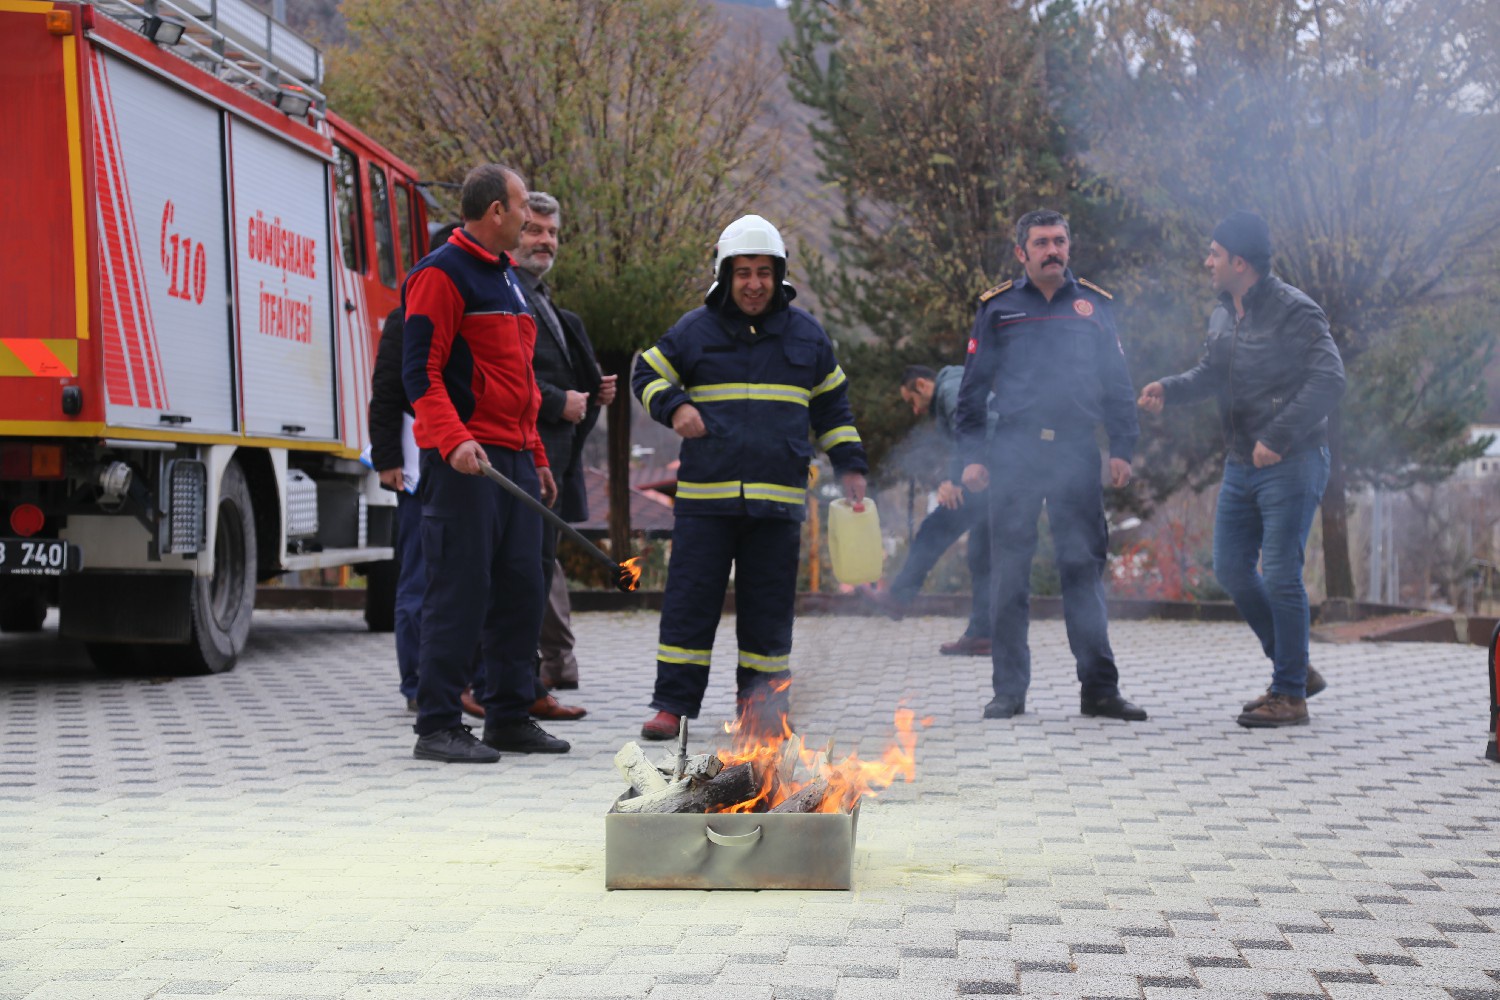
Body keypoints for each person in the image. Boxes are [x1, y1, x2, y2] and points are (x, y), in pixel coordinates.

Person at [632, 214, 868, 741]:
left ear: (779, 274)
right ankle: (672, 706)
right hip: (705, 504)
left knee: (768, 614)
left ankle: (760, 712)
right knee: (689, 606)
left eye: (764, 272)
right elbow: (644, 372)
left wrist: (850, 466)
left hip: (777, 504)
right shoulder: (695, 330)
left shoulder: (807, 336)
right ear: (724, 275)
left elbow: (834, 407)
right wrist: (674, 407)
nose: (754, 283)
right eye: (743, 273)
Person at [1138, 210, 1345, 729]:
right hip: (1240, 462)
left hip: (1292, 460)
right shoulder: (1222, 312)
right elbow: (1213, 372)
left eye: (1213, 253)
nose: (1206, 261)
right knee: (1231, 567)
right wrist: (1171, 386)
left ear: (1239, 261)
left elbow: (1329, 379)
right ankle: (1294, 668)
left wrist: (1277, 436)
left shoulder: (1295, 311)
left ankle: (1290, 695)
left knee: (1279, 572)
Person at [402, 163, 568, 762]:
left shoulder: (508, 280)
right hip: (465, 463)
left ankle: (507, 716)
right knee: (459, 593)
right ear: (496, 211)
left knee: (522, 591)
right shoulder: (440, 275)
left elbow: (518, 378)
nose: (529, 219)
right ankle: (439, 726)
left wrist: (539, 455)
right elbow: (418, 371)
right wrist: (452, 440)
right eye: (523, 207)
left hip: (516, 461)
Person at [955, 208, 1147, 722]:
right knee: (1009, 574)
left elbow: (1118, 385)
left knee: (1082, 570)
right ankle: (1009, 692)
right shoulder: (998, 308)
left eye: (1059, 240)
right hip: (1015, 453)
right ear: (1022, 252)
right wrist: (971, 457)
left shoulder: (1093, 306)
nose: (1052, 251)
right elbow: (972, 389)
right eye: (1041, 242)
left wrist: (1123, 448)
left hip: (1076, 453)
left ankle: (1100, 690)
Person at [512, 190, 616, 719]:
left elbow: (573, 382)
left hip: (552, 458)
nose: (544, 241)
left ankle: (536, 674)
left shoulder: (547, 301)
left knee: (537, 564)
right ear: (510, 229)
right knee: (519, 567)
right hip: (515, 456)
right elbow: (504, 378)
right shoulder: (504, 294)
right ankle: (514, 680)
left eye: (551, 233)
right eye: (533, 230)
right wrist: (561, 402)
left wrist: (589, 397)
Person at [369, 221, 461, 714]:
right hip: (416, 469)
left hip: (464, 462)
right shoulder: (404, 320)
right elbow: (386, 392)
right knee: (417, 582)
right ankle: (415, 684)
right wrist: (387, 460)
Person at [863, 365, 992, 656]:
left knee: (936, 530)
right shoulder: (955, 385)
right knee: (984, 555)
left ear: (922, 385)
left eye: (912, 401)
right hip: (994, 472)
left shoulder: (950, 388)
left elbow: (969, 427)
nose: (916, 411)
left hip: (987, 474)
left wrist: (956, 479)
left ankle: (899, 598)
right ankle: (984, 635)